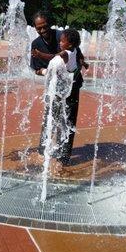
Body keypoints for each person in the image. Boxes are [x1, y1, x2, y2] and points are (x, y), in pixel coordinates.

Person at [30, 11, 88, 166]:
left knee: (68, 120)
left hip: (72, 86)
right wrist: (46, 71)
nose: (42, 30)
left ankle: (64, 156)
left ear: (50, 24)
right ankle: (43, 151)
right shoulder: (36, 44)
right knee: (50, 118)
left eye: (45, 26)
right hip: (54, 88)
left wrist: (81, 64)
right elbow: (36, 68)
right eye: (39, 28)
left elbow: (78, 55)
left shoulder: (64, 37)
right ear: (35, 28)